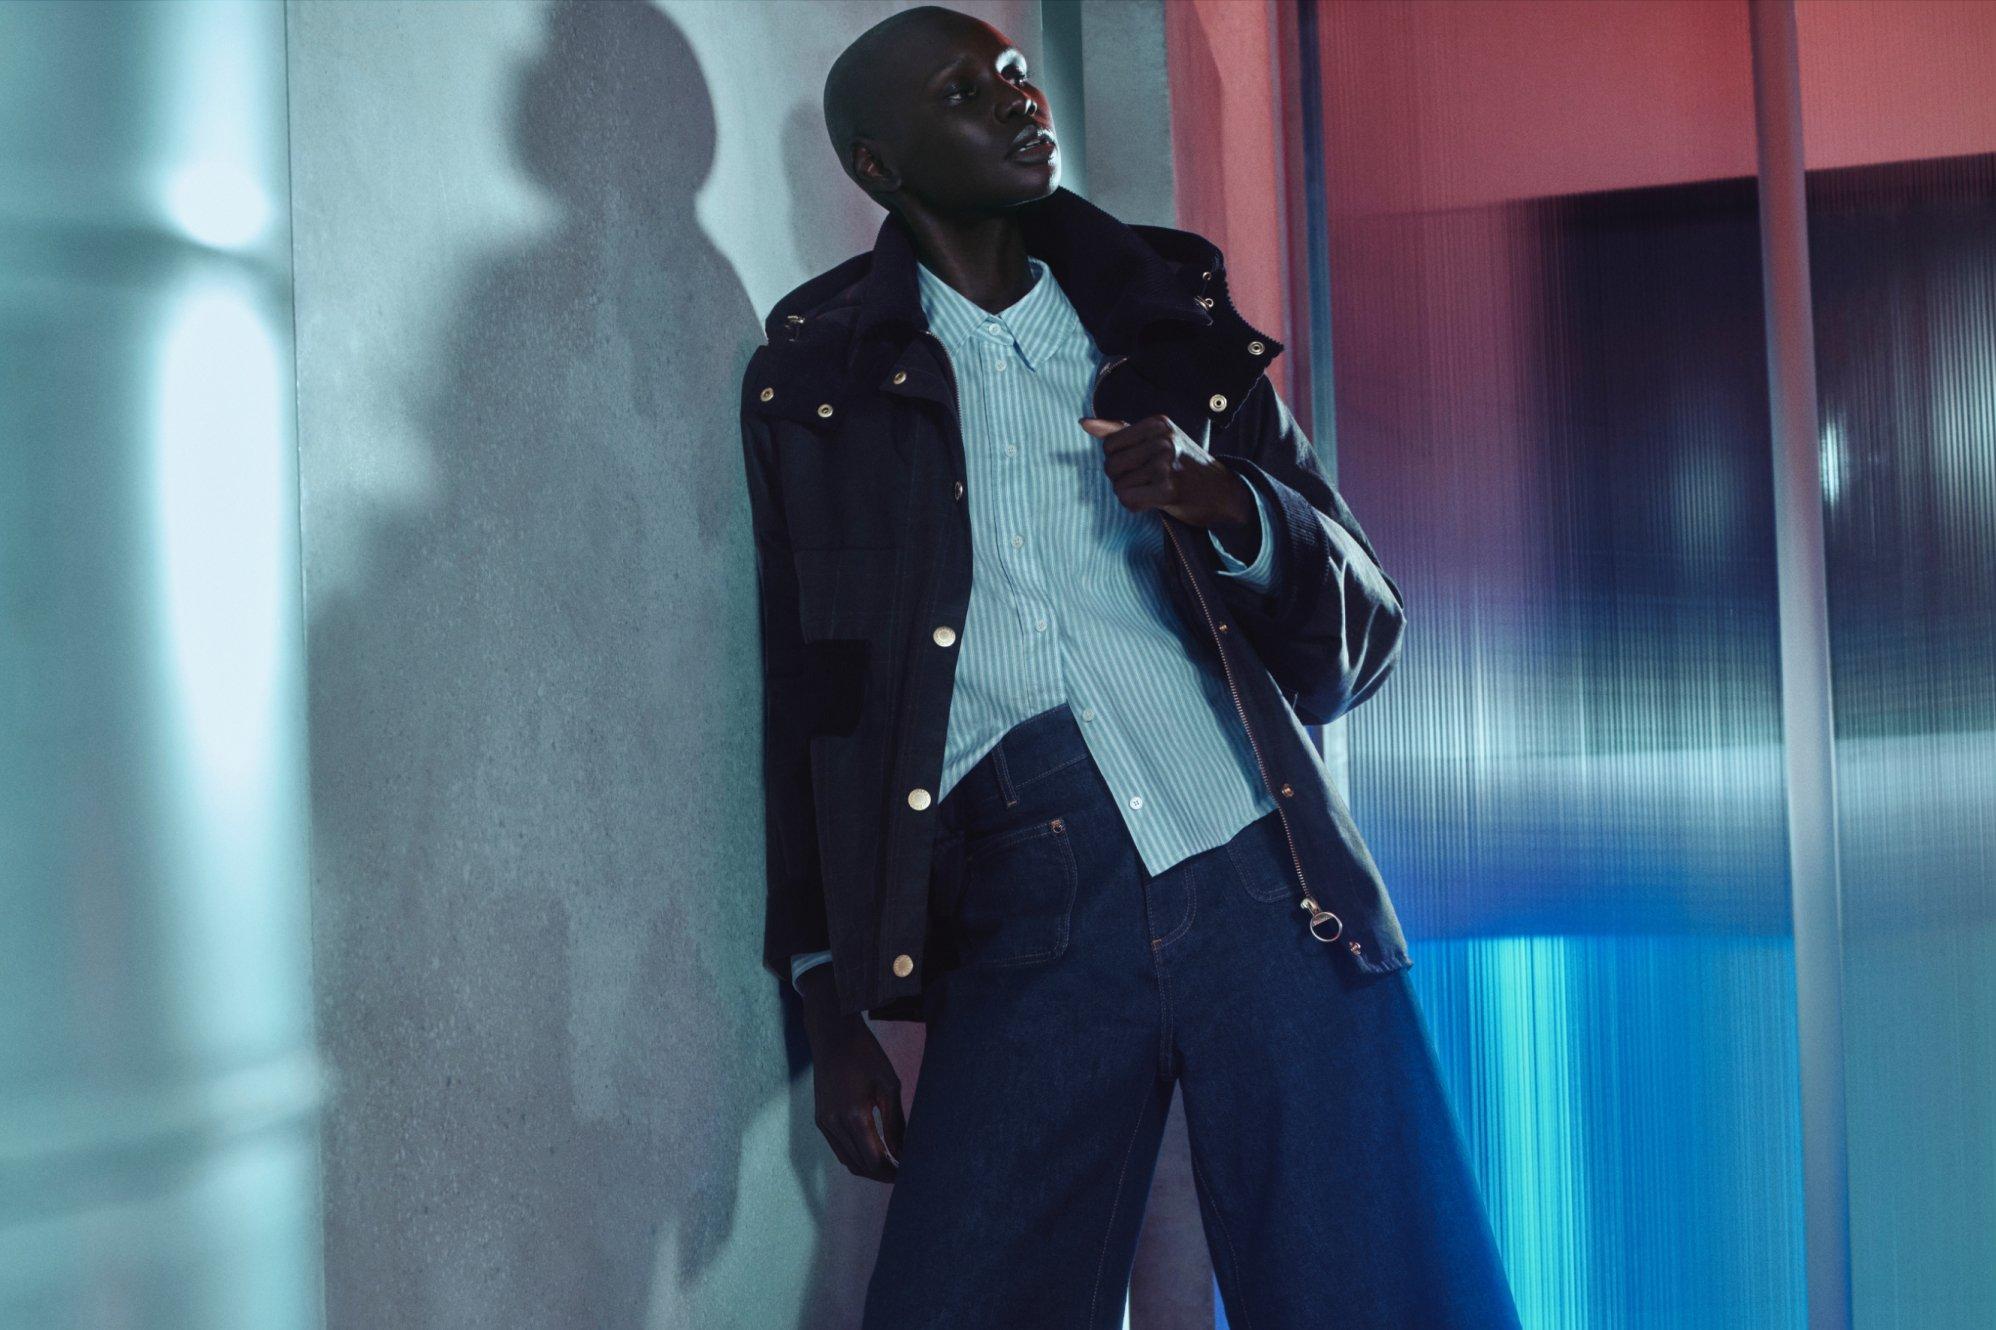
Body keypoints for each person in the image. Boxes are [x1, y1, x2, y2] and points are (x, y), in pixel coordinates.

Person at [738, 6, 1522, 1326]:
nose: (1014, 98)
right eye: (962, 91)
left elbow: (1367, 631)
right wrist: (821, 998)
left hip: (1268, 878)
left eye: (1014, 73)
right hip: (1027, 903)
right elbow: (807, 697)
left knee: (1381, 1296)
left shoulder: (1175, 332)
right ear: (880, 166)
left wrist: (1228, 505)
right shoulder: (817, 386)